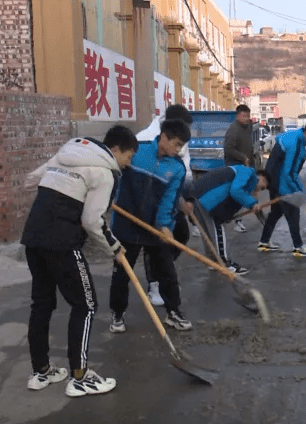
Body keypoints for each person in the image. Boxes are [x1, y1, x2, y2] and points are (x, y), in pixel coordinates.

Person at [21, 126, 138, 397]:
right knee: (85, 305)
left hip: (33, 237)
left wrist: (68, 186)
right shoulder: (105, 172)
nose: (128, 163)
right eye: (129, 156)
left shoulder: (67, 153)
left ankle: (41, 372)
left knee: (42, 303)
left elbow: (32, 180)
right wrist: (115, 248)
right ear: (116, 149)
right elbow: (92, 222)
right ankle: (80, 376)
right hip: (62, 242)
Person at [109, 119, 194, 333]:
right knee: (122, 272)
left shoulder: (177, 168)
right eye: (176, 143)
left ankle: (173, 311)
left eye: (182, 145)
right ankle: (117, 314)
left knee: (166, 271)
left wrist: (165, 225)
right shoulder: (137, 152)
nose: (178, 149)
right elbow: (114, 176)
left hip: (154, 228)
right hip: (126, 223)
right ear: (163, 137)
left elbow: (169, 200)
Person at [138, 104, 194, 307]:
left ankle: (163, 273)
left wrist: (188, 198)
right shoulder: (144, 139)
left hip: (170, 199)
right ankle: (155, 284)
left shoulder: (180, 140)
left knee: (181, 234)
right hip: (147, 201)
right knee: (152, 244)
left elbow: (185, 170)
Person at [187, 166, 270, 274]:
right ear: (262, 178)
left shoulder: (243, 174)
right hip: (209, 202)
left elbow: (231, 195)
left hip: (201, 199)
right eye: (263, 187)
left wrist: (228, 214)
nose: (259, 189)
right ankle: (224, 263)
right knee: (218, 231)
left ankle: (214, 261)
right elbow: (236, 191)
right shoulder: (247, 172)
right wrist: (252, 203)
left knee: (209, 234)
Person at [258, 122, 306, 257]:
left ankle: (264, 241)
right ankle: (298, 246)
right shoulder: (296, 144)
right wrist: (299, 189)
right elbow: (289, 172)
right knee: (293, 214)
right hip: (282, 184)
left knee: (276, 213)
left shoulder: (293, 136)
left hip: (274, 180)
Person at [224, 104, 256, 233]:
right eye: (244, 116)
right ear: (237, 116)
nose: (246, 118)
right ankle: (234, 220)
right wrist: (243, 158)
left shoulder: (248, 127)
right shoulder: (233, 129)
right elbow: (228, 149)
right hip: (234, 167)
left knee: (242, 193)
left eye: (248, 116)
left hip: (246, 166)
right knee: (235, 194)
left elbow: (250, 147)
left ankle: (237, 219)